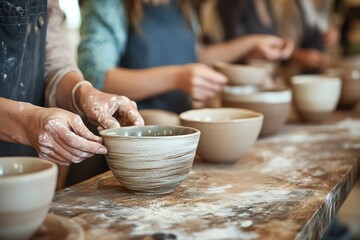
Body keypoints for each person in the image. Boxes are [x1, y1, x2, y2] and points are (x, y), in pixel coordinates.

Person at [0, 0, 144, 166]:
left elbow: (54, 59)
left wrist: (83, 92)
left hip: (28, 161)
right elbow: (98, 71)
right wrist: (28, 122)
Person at [78, 0, 227, 115]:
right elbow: (96, 79)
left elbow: (194, 56)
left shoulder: (183, 6)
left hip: (181, 123)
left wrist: (248, 44)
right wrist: (177, 78)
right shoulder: (108, 5)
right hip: (131, 129)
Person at [277, 0, 339, 74]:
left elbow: (330, 27)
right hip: (295, 73)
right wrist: (300, 56)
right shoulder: (290, 6)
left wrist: (333, 35)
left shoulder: (325, 4)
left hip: (321, 71)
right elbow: (281, 46)